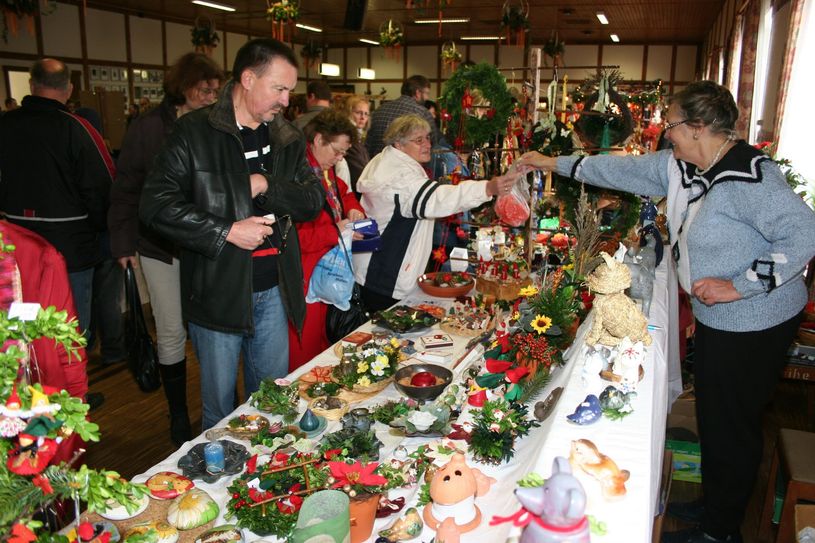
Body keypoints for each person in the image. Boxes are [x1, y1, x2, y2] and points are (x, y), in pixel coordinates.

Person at [517, 80, 815, 543]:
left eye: (673, 124)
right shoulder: (681, 165)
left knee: (731, 423)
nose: (666, 133)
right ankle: (713, 508)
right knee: (716, 416)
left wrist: (737, 287)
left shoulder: (749, 177)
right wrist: (551, 162)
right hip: (720, 317)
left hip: (756, 322)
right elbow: (620, 171)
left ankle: (721, 531)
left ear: (697, 127)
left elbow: (804, 235)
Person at [139, 38, 325, 430]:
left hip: (275, 287)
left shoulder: (287, 136)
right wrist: (225, 231)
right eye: (279, 88)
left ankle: (263, 484)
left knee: (271, 403)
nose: (286, 99)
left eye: (290, 90)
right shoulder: (193, 132)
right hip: (217, 290)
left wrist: (263, 184)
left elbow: (311, 200)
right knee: (220, 413)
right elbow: (155, 206)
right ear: (247, 78)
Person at [108, 52, 223, 445]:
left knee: (209, 327)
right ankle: (177, 414)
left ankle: (220, 405)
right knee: (171, 330)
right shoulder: (147, 129)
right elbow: (125, 190)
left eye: (215, 89)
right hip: (160, 247)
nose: (211, 95)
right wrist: (122, 244)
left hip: (205, 246)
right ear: (184, 86)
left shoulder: (216, 125)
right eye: (204, 88)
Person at [0, 58, 115, 340]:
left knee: (24, 322)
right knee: (70, 325)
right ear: (70, 88)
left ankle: (30, 380)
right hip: (70, 245)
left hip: (16, 242)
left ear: (31, 85)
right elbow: (101, 188)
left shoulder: (5, 124)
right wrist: (99, 229)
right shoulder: (77, 128)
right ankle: (73, 384)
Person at [353, 114, 516, 311]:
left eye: (428, 138)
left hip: (371, 266)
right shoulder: (401, 178)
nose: (427, 144)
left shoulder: (384, 161)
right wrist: (487, 188)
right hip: (386, 276)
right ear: (399, 144)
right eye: (418, 140)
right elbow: (439, 199)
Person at [289, 109, 366, 370]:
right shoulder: (297, 172)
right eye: (337, 150)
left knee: (326, 343)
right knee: (304, 351)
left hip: (327, 272)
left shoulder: (325, 169)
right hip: (304, 277)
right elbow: (292, 237)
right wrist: (335, 230)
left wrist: (354, 208)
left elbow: (344, 193)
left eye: (344, 152)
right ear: (319, 139)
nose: (339, 158)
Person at [366, 75, 441, 157]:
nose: (427, 98)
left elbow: (368, 144)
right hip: (407, 165)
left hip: (379, 164)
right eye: (427, 93)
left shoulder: (379, 110)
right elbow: (433, 143)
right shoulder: (423, 113)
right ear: (418, 93)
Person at [343, 95, 371, 193]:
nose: (363, 117)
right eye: (359, 113)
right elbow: (360, 171)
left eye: (366, 114)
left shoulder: (358, 137)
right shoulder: (349, 138)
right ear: (349, 113)